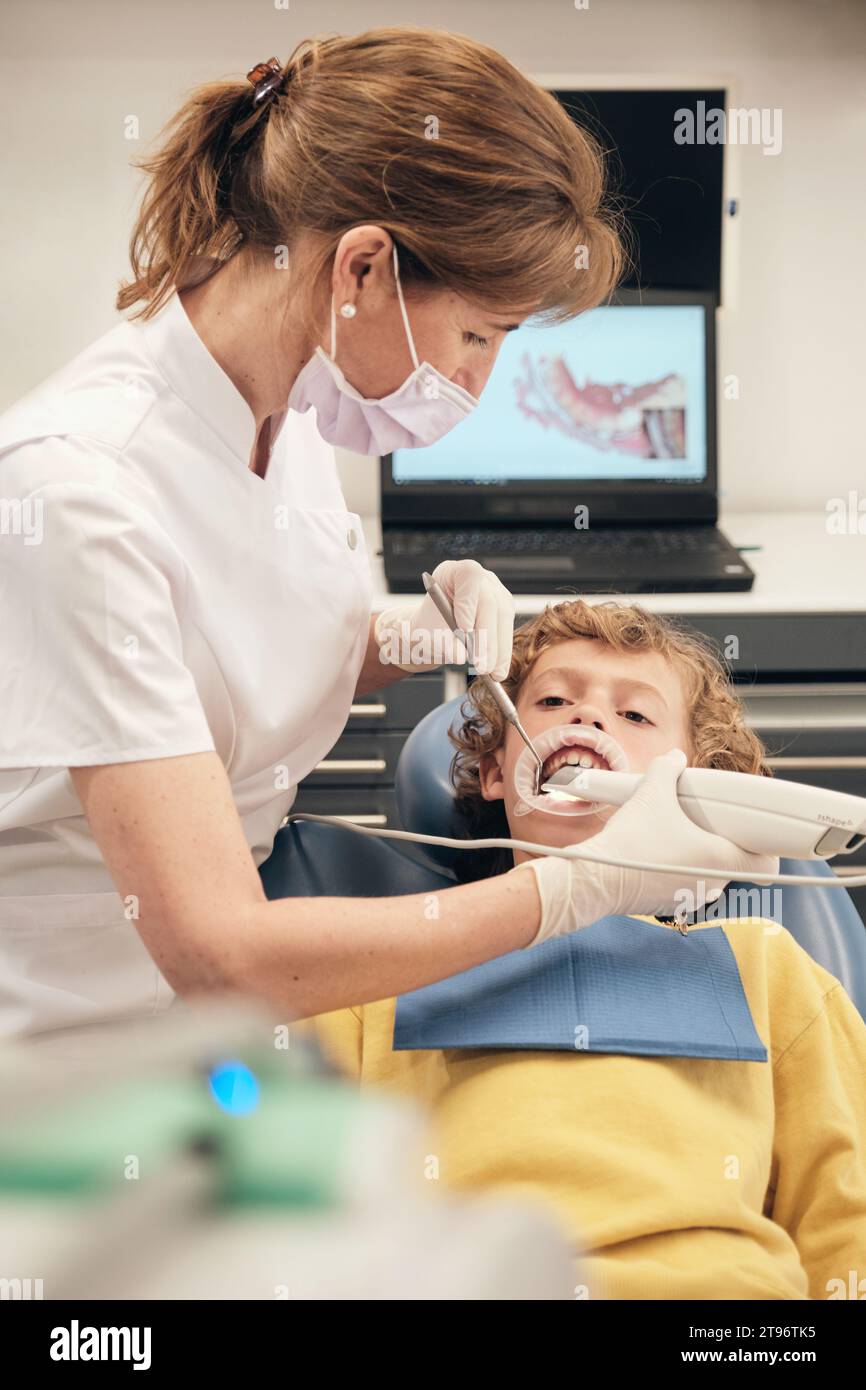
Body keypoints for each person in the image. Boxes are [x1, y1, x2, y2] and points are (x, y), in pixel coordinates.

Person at [0, 27, 770, 1043]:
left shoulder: (288, 403)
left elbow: (227, 653)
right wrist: (573, 889)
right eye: (479, 337)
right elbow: (218, 954)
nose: (478, 384)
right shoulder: (83, 488)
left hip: (234, 1017)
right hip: (83, 1041)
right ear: (360, 266)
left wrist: (405, 637)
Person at [305, 599, 866, 1301]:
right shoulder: (383, 963)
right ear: (495, 772)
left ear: (697, 786)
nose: (590, 717)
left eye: (635, 715)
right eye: (551, 699)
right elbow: (288, 1207)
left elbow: (848, 1217)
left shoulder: (769, 969)